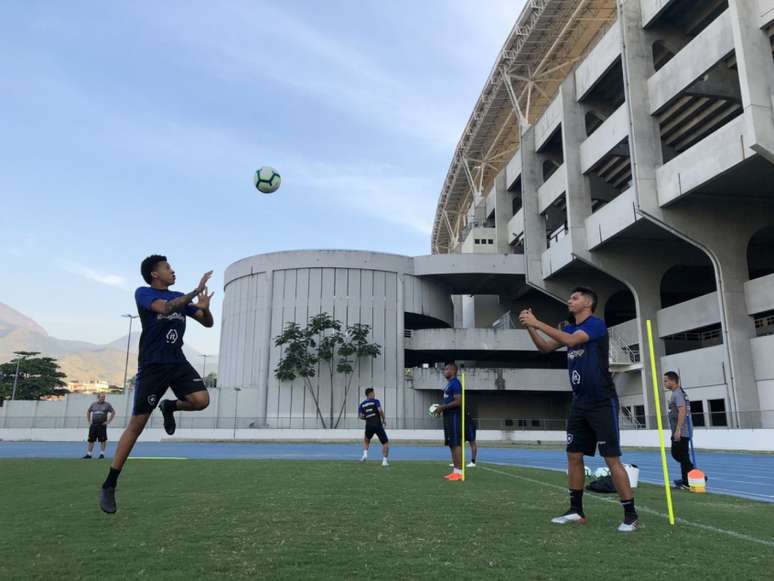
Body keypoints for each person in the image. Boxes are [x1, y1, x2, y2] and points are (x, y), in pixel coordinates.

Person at [99, 255, 215, 514]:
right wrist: (195, 291)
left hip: (177, 362)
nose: (172, 270)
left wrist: (204, 306)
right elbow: (165, 308)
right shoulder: (144, 293)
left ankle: (170, 406)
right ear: (154, 274)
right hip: (153, 366)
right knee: (137, 425)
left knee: (201, 401)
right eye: (167, 267)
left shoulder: (179, 298)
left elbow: (208, 323)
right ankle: (109, 484)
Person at [520, 287, 639, 532]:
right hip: (579, 402)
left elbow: (572, 341)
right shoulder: (569, 329)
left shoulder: (595, 325)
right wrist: (530, 327)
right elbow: (545, 348)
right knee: (574, 455)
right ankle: (576, 510)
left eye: (574, 298)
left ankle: (630, 515)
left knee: (611, 459)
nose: (569, 301)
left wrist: (538, 321)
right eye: (570, 297)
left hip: (602, 401)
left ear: (588, 303)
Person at [433, 362, 463, 481]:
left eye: (446, 369)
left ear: (453, 371)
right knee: (451, 444)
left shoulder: (455, 384)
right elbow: (448, 401)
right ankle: (455, 471)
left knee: (456, 444)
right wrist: (441, 409)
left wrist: (442, 407)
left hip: (454, 417)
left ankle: (459, 472)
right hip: (448, 416)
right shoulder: (449, 384)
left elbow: (458, 401)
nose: (444, 371)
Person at [664, 371, 695, 490]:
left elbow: (682, 411)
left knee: (679, 454)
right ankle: (686, 480)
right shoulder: (679, 392)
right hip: (682, 430)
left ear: (672, 380)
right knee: (681, 455)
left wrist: (678, 430)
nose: (665, 383)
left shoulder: (677, 394)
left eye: (666, 380)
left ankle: (693, 476)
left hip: (681, 431)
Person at [358, 388, 389, 467]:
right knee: (385, 443)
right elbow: (380, 410)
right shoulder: (376, 401)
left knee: (366, 440)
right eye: (373, 393)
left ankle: (365, 455)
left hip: (369, 425)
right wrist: (384, 419)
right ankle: (384, 461)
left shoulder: (362, 404)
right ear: (370, 394)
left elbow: (361, 416)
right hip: (377, 425)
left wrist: (367, 417)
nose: (374, 394)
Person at [82, 393, 115, 459]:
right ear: (98, 397)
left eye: (104, 397)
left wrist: (108, 421)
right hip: (94, 425)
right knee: (91, 440)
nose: (103, 398)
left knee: (103, 440)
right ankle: (89, 454)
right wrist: (89, 421)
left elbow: (113, 412)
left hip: (102, 425)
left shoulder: (107, 405)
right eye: (102, 397)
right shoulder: (93, 404)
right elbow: (88, 411)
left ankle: (102, 454)